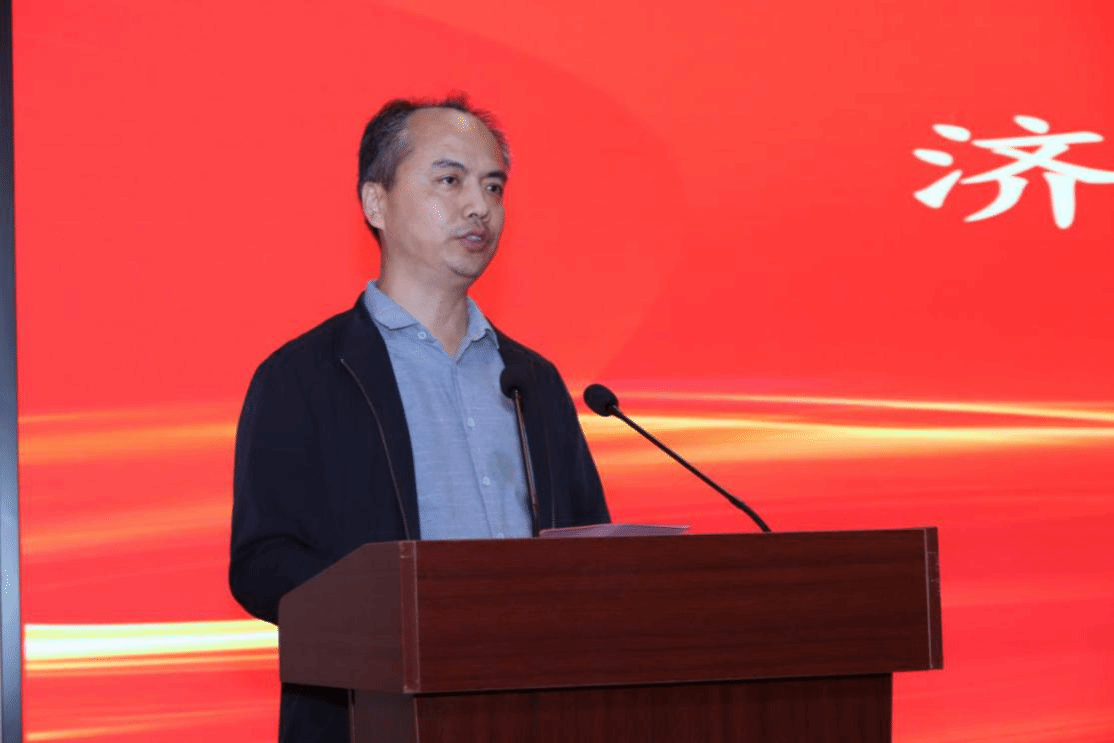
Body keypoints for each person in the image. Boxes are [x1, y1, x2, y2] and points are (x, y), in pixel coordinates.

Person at [228, 95, 610, 742]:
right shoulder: (305, 376)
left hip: (535, 711)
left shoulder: (534, 381)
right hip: (373, 715)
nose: (479, 205)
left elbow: (588, 549)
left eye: (493, 186)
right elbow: (262, 564)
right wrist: (399, 613)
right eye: (450, 180)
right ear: (375, 203)